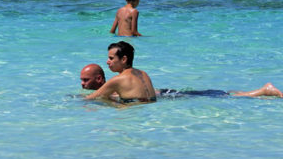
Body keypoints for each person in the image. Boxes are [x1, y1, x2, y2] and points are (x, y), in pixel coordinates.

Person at [78, 63, 282, 98]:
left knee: (220, 96)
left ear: (98, 78)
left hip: (171, 96)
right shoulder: (112, 84)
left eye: (86, 81)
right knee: (217, 95)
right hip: (168, 94)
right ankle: (259, 93)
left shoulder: (110, 86)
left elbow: (95, 99)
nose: (82, 84)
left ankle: (263, 90)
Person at [84, 42, 156, 102]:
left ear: (124, 59)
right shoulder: (144, 74)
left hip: (132, 112)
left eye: (111, 58)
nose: (107, 62)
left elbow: (91, 98)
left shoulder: (118, 80)